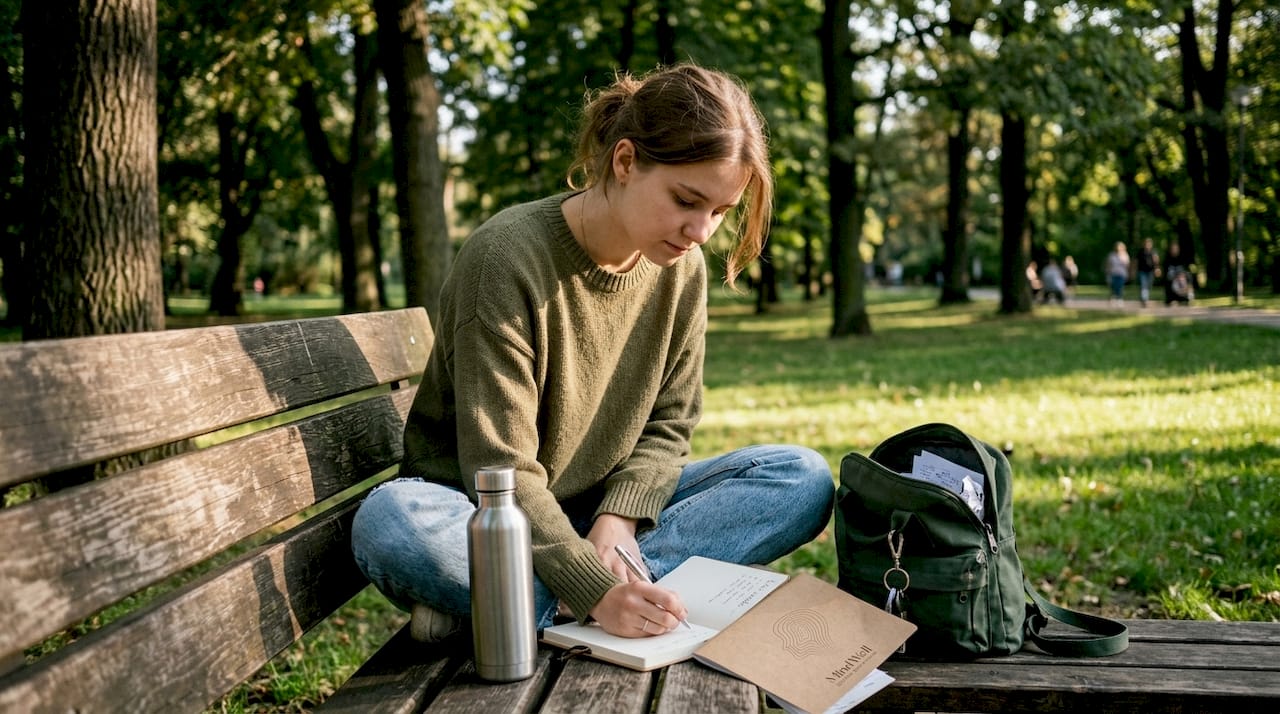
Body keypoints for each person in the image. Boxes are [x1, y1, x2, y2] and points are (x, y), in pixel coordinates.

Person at [350, 64, 835, 643]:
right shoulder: (505, 258)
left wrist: (619, 518)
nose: (701, 231)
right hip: (484, 515)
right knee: (391, 524)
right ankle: (605, 601)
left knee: (799, 477)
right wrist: (595, 588)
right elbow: (498, 469)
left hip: (602, 514)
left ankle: (518, 605)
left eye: (721, 212)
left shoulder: (682, 271)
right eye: (687, 200)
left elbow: (670, 423)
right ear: (626, 162)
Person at [1163, 241, 1193, 306]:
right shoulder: (1167, 259)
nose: (1174, 250)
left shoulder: (1182, 258)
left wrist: (1182, 275)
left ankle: (1187, 297)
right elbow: (1165, 272)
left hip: (1181, 279)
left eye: (1175, 249)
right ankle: (1170, 300)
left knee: (1187, 280)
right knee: (1169, 282)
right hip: (1172, 279)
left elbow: (1187, 271)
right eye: (1173, 249)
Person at [1135, 238, 1161, 307]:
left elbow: (1156, 261)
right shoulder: (1140, 252)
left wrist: (1157, 269)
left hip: (1150, 271)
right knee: (1144, 285)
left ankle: (1144, 298)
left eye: (1149, 244)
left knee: (1148, 285)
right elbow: (1136, 261)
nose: (1147, 245)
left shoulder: (1153, 252)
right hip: (1142, 271)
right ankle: (1144, 300)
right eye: (1146, 243)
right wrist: (1133, 270)